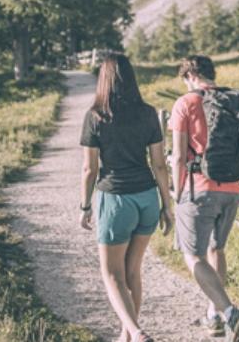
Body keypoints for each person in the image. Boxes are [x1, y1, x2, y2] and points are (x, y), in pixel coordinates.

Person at [79, 54, 173, 342]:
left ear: (103, 80)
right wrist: (166, 206)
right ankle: (126, 335)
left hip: (115, 199)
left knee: (112, 275)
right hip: (146, 198)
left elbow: (89, 168)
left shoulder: (95, 115)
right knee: (133, 271)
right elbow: (159, 164)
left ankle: (136, 332)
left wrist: (84, 205)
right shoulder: (147, 114)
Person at [169, 54, 239, 342]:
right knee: (216, 250)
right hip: (233, 189)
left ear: (189, 76)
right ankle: (214, 316)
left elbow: (179, 156)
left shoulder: (185, 103)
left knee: (193, 255)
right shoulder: (236, 102)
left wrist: (176, 192)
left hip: (198, 190)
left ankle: (231, 313)